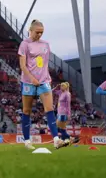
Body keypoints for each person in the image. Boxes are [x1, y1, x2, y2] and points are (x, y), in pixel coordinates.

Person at [18, 19, 66, 150]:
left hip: (44, 81)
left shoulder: (46, 44)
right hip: (28, 82)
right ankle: (27, 141)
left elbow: (43, 63)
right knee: (27, 110)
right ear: (30, 31)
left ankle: (56, 140)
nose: (39, 35)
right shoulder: (24, 44)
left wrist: (44, 77)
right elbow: (22, 65)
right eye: (37, 32)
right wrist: (32, 78)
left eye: (42, 32)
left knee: (49, 109)